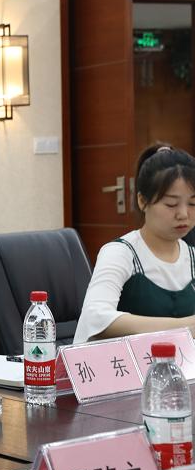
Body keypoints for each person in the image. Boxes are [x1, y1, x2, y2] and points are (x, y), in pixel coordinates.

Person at [75, 144, 195, 343]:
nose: (183, 214)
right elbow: (95, 317)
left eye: (192, 203)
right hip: (126, 362)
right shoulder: (121, 253)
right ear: (142, 201)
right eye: (171, 204)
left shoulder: (191, 256)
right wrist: (184, 326)